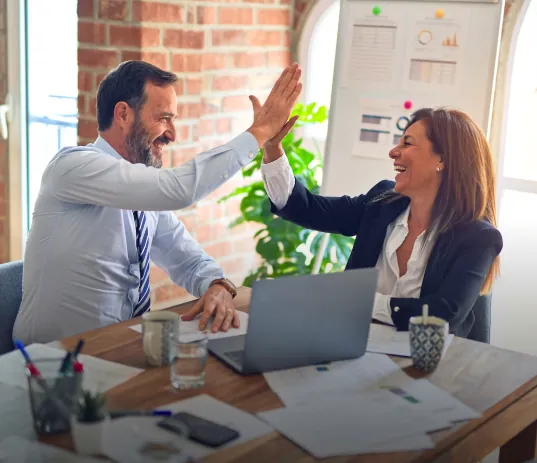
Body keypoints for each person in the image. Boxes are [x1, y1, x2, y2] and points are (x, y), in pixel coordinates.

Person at [13, 60, 302, 344]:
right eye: (164, 118)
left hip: (118, 350)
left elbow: (188, 260)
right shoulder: (73, 167)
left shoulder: (143, 195)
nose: (172, 134)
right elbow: (179, 189)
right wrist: (260, 132)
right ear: (124, 114)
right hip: (49, 363)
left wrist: (217, 285)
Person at [260, 107, 502, 337]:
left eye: (407, 143)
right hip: (356, 348)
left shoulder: (478, 237)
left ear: (442, 160)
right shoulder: (382, 202)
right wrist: (272, 147)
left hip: (433, 365)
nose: (393, 152)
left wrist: (359, 300)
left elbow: (443, 314)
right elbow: (306, 208)